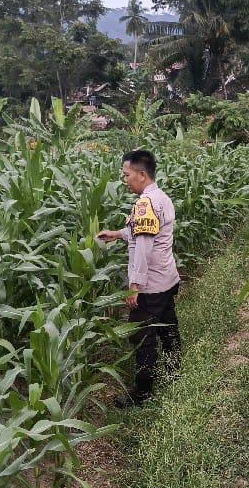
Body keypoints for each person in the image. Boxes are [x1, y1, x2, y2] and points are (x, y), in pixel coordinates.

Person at [97, 150, 181, 408]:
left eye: (127, 175)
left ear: (141, 175)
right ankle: (174, 370)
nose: (125, 180)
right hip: (166, 279)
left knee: (141, 335)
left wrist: (135, 286)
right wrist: (118, 234)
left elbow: (144, 246)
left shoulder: (144, 204)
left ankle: (143, 393)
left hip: (151, 285)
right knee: (167, 326)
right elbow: (145, 231)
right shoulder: (161, 197)